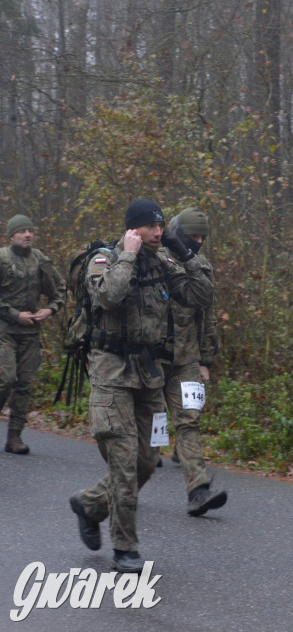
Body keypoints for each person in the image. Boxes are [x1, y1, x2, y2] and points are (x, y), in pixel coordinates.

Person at [68, 198, 214, 573]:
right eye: (151, 227)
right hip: (111, 377)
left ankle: (90, 505)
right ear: (133, 229)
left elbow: (200, 297)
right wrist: (129, 256)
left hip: (149, 376)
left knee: (147, 462)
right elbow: (107, 296)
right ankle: (125, 547)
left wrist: (185, 255)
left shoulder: (164, 262)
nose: (159, 232)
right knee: (125, 466)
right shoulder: (105, 259)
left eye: (162, 226)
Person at [163, 207, 225, 516]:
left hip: (185, 359)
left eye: (203, 237)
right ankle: (120, 488)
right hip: (150, 358)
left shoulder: (201, 267)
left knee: (190, 418)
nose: (198, 241)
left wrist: (206, 361)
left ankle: (198, 490)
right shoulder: (154, 259)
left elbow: (207, 317)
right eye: (192, 236)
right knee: (149, 428)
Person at [0, 215, 66, 454]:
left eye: (30, 230)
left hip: (30, 333)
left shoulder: (41, 260)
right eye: (22, 231)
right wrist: (13, 314)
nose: (28, 234)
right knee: (5, 378)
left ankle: (14, 437)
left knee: (25, 384)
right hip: (4, 330)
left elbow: (60, 288)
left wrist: (51, 309)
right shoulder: (2, 258)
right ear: (11, 236)